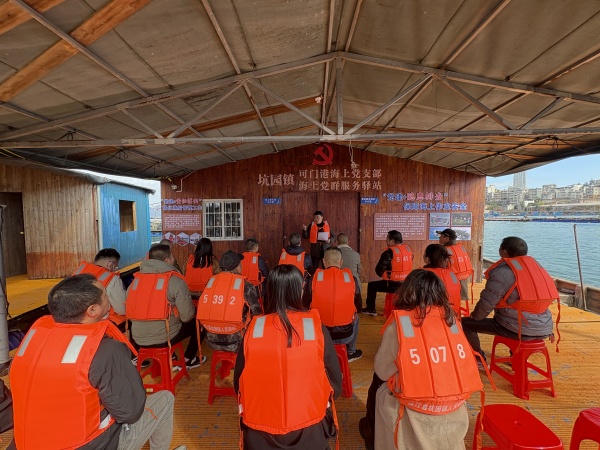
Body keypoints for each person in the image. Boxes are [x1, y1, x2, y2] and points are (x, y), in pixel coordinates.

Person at [9, 274, 180, 450]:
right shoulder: (104, 349)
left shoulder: (30, 344)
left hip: (26, 445)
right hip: (90, 446)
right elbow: (130, 413)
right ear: (92, 310)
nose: (109, 298)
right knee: (165, 399)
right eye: (106, 294)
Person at [234, 265, 342, 450]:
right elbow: (335, 385)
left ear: (269, 291)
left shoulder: (253, 329)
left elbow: (239, 385)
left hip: (259, 436)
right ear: (299, 290)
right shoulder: (316, 328)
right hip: (310, 432)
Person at [373, 270, 482, 450]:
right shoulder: (453, 322)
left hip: (415, 408)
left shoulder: (399, 326)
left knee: (380, 392)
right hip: (455, 406)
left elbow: (382, 371)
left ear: (406, 292)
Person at [461, 236, 558, 368]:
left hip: (520, 329)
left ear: (504, 251)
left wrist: (476, 317)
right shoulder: (536, 268)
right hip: (545, 326)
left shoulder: (502, 272)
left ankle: (479, 360)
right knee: (516, 314)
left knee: (466, 324)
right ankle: (516, 359)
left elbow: (487, 302)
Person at [127, 244, 204, 370]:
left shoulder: (135, 282)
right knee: (199, 324)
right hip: (165, 338)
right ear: (167, 260)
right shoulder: (175, 281)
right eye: (172, 256)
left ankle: (171, 356)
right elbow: (186, 317)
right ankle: (188, 359)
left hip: (138, 338)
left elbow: (130, 314)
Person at [197, 250, 262, 353]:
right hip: (237, 341)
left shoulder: (210, 283)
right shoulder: (245, 285)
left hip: (211, 339)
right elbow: (256, 312)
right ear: (238, 267)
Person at [312, 247, 362, 362]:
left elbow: (305, 305)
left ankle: (314, 351)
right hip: (345, 336)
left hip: (320, 334)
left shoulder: (314, 278)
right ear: (341, 262)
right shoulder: (352, 279)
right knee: (356, 317)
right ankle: (351, 352)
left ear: (324, 262)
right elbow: (358, 307)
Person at [362, 230, 413, 316]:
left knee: (371, 285)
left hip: (392, 285)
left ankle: (370, 309)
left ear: (392, 241)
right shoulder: (408, 251)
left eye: (387, 239)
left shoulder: (388, 253)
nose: (386, 240)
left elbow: (379, 270)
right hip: (406, 284)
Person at [73, 248, 127, 327]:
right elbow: (122, 309)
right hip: (98, 324)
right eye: (115, 267)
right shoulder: (112, 279)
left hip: (74, 320)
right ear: (110, 264)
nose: (114, 270)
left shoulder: (79, 271)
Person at [422, 243, 462, 317]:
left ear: (427, 259)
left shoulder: (422, 275)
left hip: (432, 318)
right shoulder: (452, 274)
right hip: (453, 316)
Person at [437, 228, 473, 303]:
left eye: (441, 236)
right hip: (464, 280)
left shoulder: (444, 250)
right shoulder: (461, 247)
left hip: (451, 281)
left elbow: (440, 266)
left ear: (446, 238)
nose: (439, 238)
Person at [336, 232, 363, 312]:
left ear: (337, 242)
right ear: (348, 242)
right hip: (354, 285)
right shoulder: (356, 254)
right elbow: (359, 271)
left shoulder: (334, 254)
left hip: (339, 285)